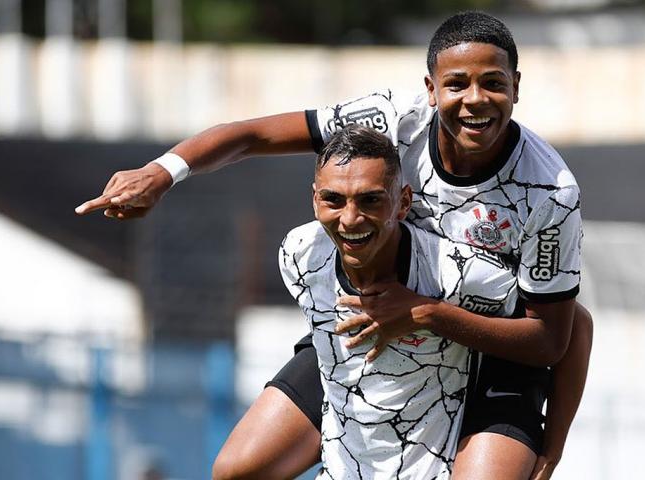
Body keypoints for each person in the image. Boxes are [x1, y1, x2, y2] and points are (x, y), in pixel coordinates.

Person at [76, 11, 593, 480]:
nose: (475, 100)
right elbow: (255, 134)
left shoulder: (549, 191)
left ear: (517, 88)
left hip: (483, 341)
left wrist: (424, 314)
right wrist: (162, 172)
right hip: (369, 325)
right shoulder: (390, 123)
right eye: (457, 84)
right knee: (237, 470)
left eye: (493, 84)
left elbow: (555, 336)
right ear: (431, 90)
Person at [281, 123, 523, 478]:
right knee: (233, 469)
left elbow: (572, 323)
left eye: (371, 200)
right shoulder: (298, 254)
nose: (350, 219)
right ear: (315, 198)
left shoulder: (456, 273)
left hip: (426, 465)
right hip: (342, 466)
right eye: (333, 199)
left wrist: (428, 315)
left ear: (403, 202)